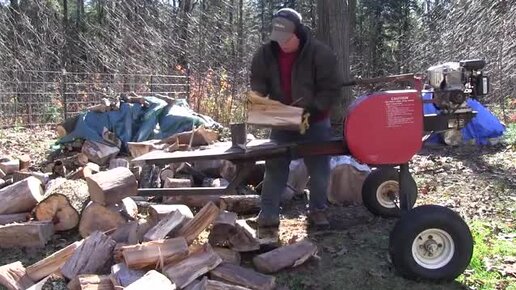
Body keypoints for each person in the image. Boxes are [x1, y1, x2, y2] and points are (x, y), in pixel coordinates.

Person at [249, 8, 344, 230]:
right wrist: (261, 105)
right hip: (282, 119)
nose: (283, 42)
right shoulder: (265, 55)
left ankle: (318, 212)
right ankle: (268, 214)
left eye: (288, 37)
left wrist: (311, 110)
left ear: (299, 33)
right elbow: (258, 85)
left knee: (319, 168)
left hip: (316, 120)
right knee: (275, 165)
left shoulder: (320, 53)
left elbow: (331, 90)